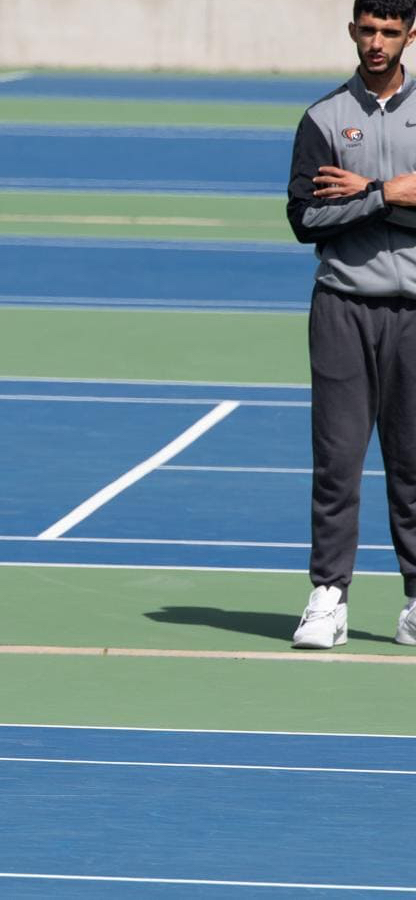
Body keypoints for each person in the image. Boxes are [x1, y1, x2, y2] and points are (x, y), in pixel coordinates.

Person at [287, 0, 416, 650]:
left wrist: (361, 195)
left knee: (414, 463)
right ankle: (328, 597)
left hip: (415, 312)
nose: (376, 42)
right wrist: (391, 194)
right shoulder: (323, 118)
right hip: (342, 307)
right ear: (352, 31)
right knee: (337, 460)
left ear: (409, 35)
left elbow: (340, 209)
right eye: (367, 29)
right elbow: (306, 219)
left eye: (389, 32)